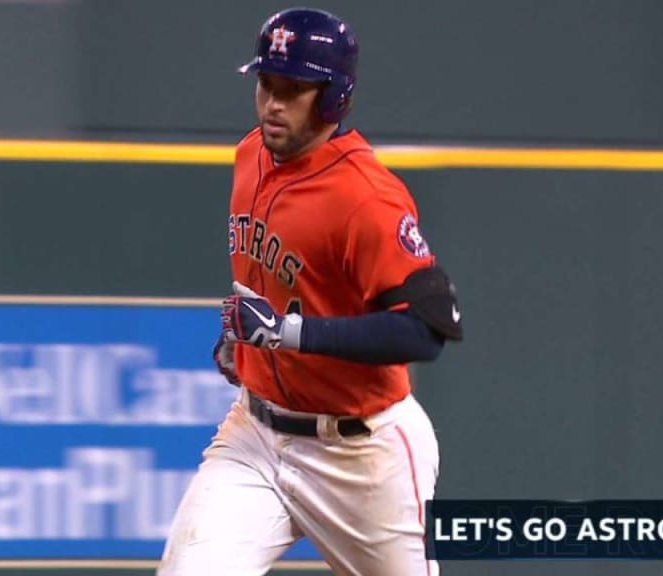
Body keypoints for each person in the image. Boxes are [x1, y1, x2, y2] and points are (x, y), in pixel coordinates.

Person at [158, 7, 463, 575]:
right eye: (267, 84)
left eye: (294, 89)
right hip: (256, 436)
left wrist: (288, 334)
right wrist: (246, 348)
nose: (273, 102)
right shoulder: (251, 155)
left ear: (333, 97)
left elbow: (426, 330)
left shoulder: (367, 197)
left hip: (360, 456)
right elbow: (278, 289)